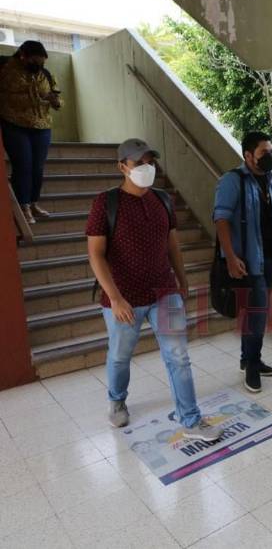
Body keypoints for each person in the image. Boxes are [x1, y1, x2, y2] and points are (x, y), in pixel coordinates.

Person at [86, 138, 222, 442]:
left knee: (179, 356)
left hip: (164, 292)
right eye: (139, 163)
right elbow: (95, 254)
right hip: (123, 299)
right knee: (120, 356)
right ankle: (117, 399)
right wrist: (116, 298)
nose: (147, 168)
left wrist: (182, 279)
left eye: (151, 162)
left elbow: (171, 243)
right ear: (123, 167)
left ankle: (191, 420)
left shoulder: (163, 200)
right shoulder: (105, 203)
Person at [214, 131, 272, 392]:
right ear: (247, 155)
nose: (270, 157)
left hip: (269, 259)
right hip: (246, 260)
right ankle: (252, 365)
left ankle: (248, 359)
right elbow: (220, 219)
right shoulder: (232, 182)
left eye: (271, 152)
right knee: (258, 313)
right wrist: (231, 256)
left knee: (256, 312)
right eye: (263, 153)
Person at [0, 40, 61, 224]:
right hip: (15, 124)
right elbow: (9, 96)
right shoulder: (5, 69)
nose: (39, 65)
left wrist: (55, 101)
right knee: (23, 166)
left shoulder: (46, 74)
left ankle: (33, 203)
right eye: (35, 61)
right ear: (23, 56)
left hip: (42, 127)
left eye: (42, 62)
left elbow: (57, 96)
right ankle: (22, 206)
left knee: (38, 168)